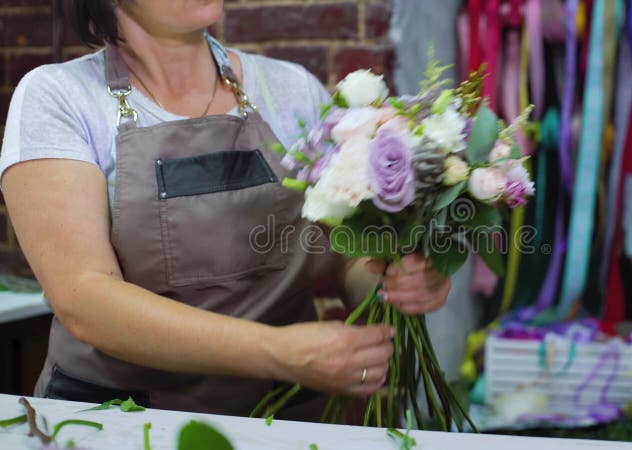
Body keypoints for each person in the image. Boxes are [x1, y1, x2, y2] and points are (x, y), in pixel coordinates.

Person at [0, 0, 451, 418]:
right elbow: (86, 296)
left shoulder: (290, 88)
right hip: (122, 417)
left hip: (281, 417)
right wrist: (278, 352)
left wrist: (393, 283)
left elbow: (340, 250)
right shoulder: (60, 98)